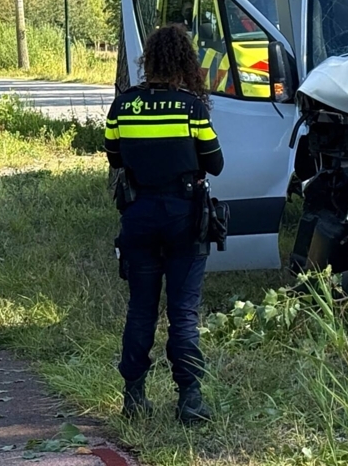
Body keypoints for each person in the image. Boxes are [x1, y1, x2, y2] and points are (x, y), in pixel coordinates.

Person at [103, 24, 224, 424]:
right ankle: (190, 399)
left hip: (138, 216)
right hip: (184, 216)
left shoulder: (123, 106)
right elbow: (215, 164)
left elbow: (115, 157)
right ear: (184, 62)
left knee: (141, 309)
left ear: (148, 60)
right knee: (183, 312)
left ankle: (133, 397)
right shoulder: (191, 108)